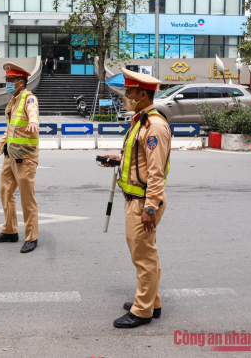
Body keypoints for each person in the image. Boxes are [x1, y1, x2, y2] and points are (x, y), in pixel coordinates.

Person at [100, 68, 171, 329]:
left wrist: (150, 207)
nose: (124, 97)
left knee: (143, 256)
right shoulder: (140, 121)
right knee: (145, 252)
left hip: (144, 202)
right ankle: (153, 301)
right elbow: (139, 162)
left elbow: (156, 172)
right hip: (136, 197)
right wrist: (117, 161)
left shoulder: (154, 127)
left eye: (128, 93)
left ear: (142, 95)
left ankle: (142, 311)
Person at [0, 62, 40, 254]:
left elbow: (33, 112)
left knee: (27, 199)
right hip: (10, 155)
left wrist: (34, 121)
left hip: (25, 157)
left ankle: (31, 237)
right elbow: (10, 129)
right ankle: (10, 231)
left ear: (20, 82)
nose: (7, 84)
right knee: (5, 192)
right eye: (7, 81)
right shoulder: (14, 101)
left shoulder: (29, 99)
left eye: (10, 81)